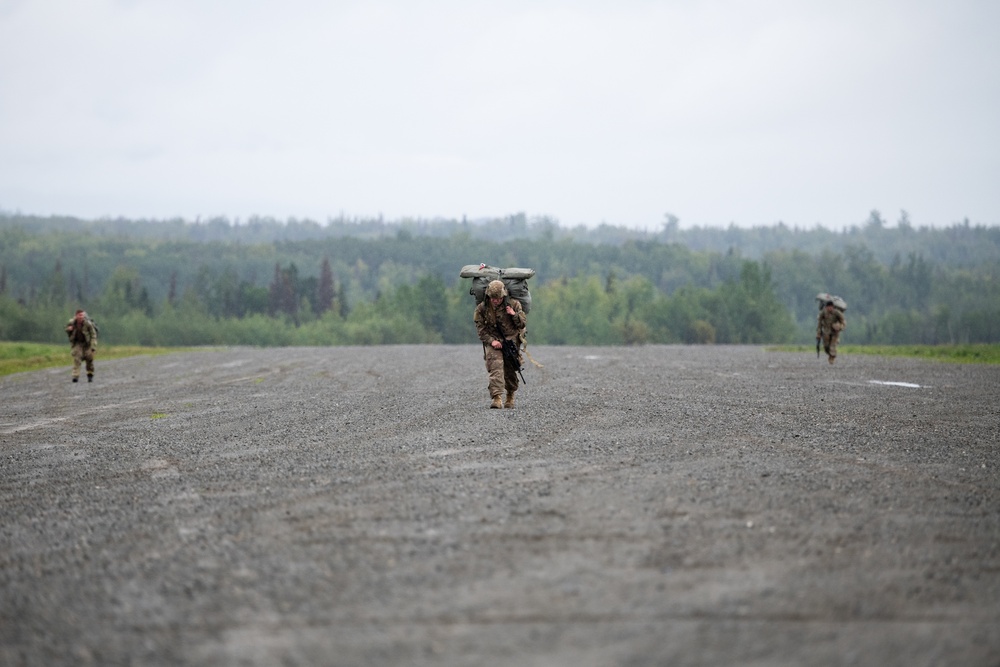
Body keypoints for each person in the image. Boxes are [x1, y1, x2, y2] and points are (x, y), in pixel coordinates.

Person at [474, 280, 527, 409]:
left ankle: (510, 395)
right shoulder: (482, 308)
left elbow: (522, 324)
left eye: (497, 298)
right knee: (495, 367)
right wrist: (492, 341)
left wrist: (514, 315)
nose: (495, 301)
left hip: (511, 341)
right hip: (493, 340)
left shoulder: (514, 304)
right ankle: (497, 398)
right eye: (492, 298)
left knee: (510, 369)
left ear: (503, 296)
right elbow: (481, 330)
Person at [65, 309, 98, 382]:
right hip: (77, 343)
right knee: (77, 358)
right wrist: (69, 329)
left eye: (82, 315)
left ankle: (90, 374)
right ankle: (75, 376)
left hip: (87, 343)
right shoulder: (72, 323)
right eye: (80, 315)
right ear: (76, 316)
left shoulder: (88, 324)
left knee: (89, 358)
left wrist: (93, 346)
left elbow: (93, 334)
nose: (81, 317)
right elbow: (66, 329)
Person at [816, 300, 846, 365]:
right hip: (826, 332)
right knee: (826, 347)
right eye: (828, 307)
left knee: (832, 346)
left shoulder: (837, 313)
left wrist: (840, 327)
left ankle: (832, 357)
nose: (829, 308)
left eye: (831, 307)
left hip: (835, 332)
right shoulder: (823, 313)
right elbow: (819, 323)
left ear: (833, 307)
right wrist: (818, 333)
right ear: (826, 307)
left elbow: (843, 322)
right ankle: (830, 354)